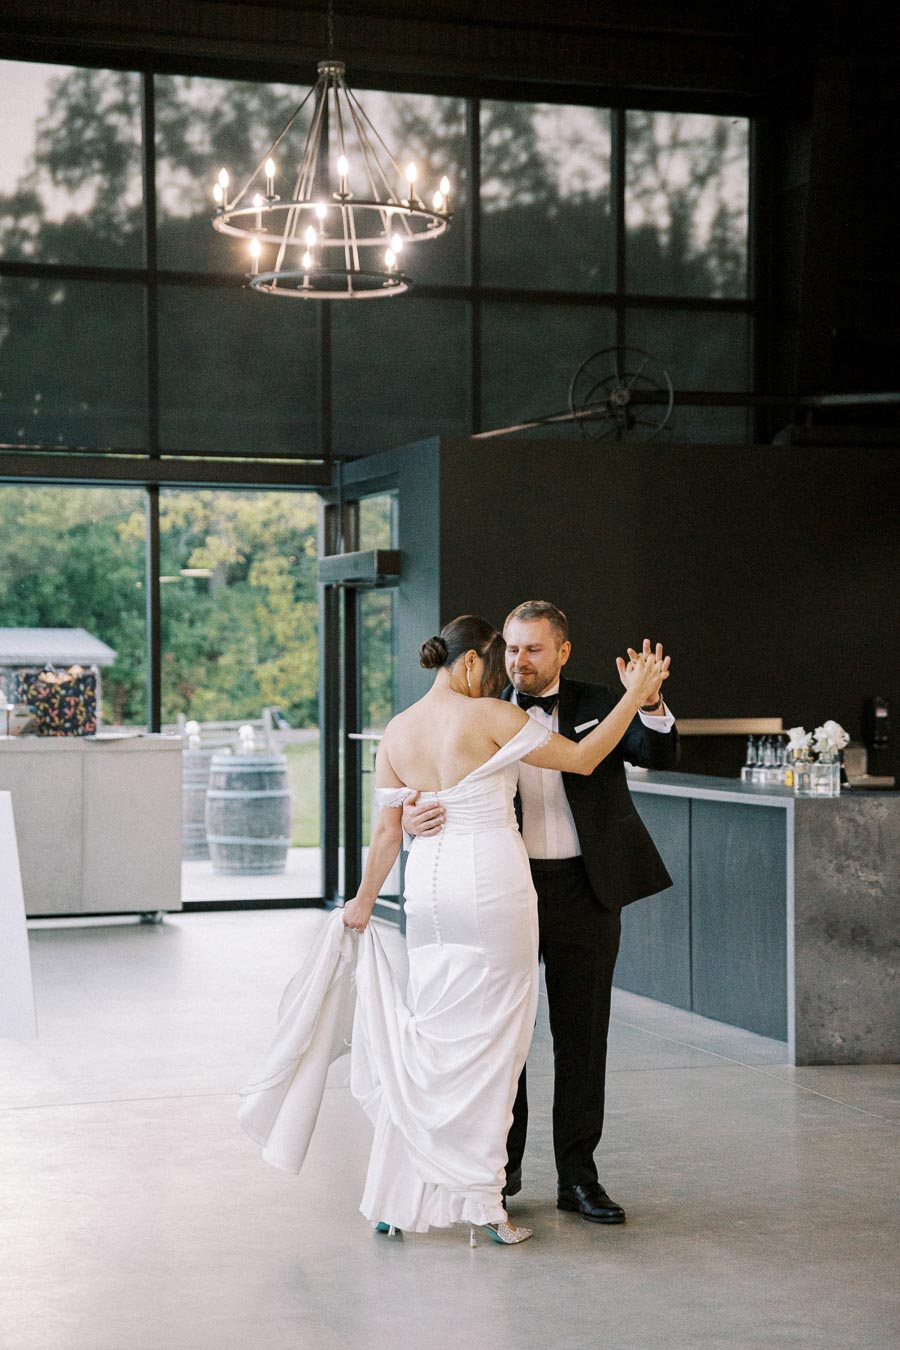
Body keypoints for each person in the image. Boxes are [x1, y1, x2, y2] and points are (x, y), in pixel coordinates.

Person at [334, 614, 668, 1246]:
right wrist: (637, 690)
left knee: (439, 1034)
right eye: (500, 656)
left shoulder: (398, 729)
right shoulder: (491, 713)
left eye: (528, 650)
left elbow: (385, 827)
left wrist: (361, 900)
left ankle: (416, 1187)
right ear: (471, 664)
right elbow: (585, 756)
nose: (509, 667)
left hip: (440, 894)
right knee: (498, 1041)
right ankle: (488, 1188)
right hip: (495, 889)